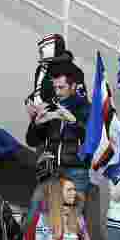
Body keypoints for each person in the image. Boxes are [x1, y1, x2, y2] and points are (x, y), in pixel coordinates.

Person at [25, 67, 92, 196]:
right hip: (51, 170)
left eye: (62, 87)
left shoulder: (86, 109)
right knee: (47, 211)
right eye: (55, 88)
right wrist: (36, 124)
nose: (57, 92)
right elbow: (31, 141)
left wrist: (73, 121)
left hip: (76, 171)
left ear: (73, 86)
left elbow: (93, 140)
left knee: (73, 213)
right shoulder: (49, 107)